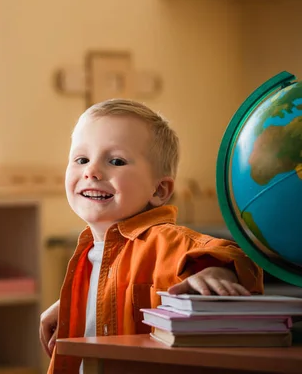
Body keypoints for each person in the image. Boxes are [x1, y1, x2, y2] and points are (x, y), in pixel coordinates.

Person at [42, 99, 263, 373]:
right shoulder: (90, 250)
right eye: (81, 159)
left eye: (116, 161)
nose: (92, 171)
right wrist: (76, 303)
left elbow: (231, 255)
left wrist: (218, 273)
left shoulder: (164, 240)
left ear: (159, 190)